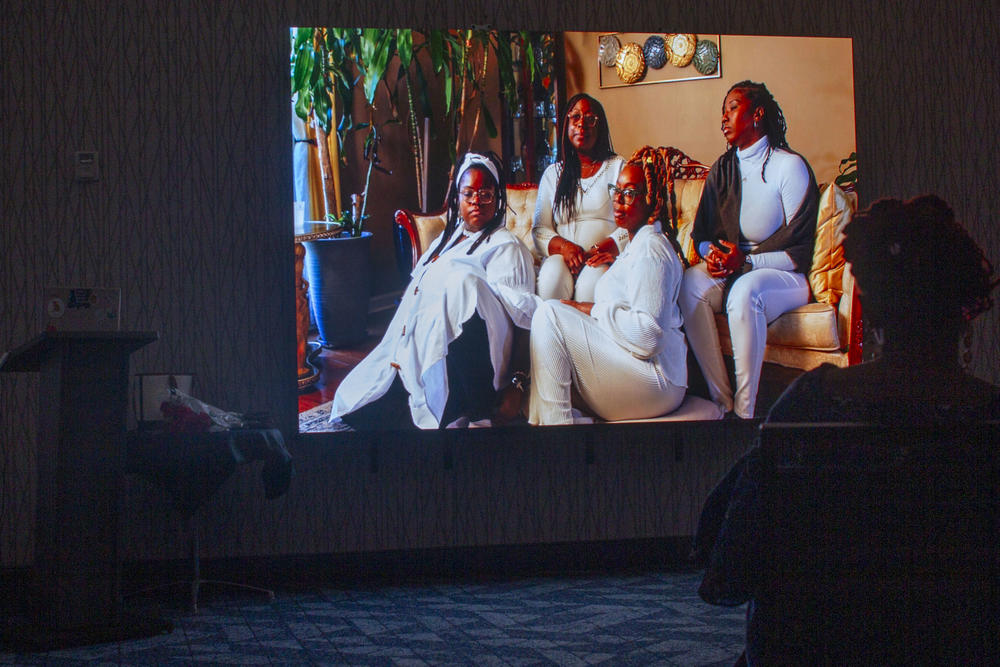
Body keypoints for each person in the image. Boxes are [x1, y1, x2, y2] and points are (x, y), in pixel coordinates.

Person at [695, 195, 1000, 664]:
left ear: (871, 314)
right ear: (964, 313)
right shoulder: (989, 418)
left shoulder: (810, 406)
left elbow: (726, 570)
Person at [329, 152, 536, 430]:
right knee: (358, 407)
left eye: (486, 194)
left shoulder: (506, 246)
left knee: (464, 280)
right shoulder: (445, 240)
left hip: (476, 353)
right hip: (422, 345)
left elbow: (524, 318)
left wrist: (518, 384)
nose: (476, 201)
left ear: (497, 199)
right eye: (469, 193)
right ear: (457, 199)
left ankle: (477, 406)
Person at [679, 81, 819, 419]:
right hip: (736, 266)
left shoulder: (790, 167)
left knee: (744, 291)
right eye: (723, 111)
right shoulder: (721, 170)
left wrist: (748, 261)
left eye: (732, 108)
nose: (723, 118)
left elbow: (801, 245)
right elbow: (701, 233)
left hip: (784, 274)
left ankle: (746, 412)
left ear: (757, 114)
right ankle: (722, 401)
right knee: (688, 286)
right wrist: (712, 253)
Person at [528, 146, 687, 425]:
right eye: (617, 191)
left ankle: (557, 433)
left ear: (651, 200)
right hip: (638, 366)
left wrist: (594, 310)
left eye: (630, 193)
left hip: (657, 380)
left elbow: (650, 336)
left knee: (549, 315)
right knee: (552, 314)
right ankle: (557, 423)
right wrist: (588, 310)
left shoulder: (651, 250)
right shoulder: (637, 244)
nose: (618, 200)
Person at [532, 93, 628, 302]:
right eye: (575, 117)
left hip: (601, 258)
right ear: (565, 125)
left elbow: (632, 222)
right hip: (562, 259)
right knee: (551, 278)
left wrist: (601, 248)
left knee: (590, 286)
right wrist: (566, 248)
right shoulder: (552, 174)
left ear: (600, 127)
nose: (582, 125)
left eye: (590, 119)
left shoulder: (617, 167)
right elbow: (540, 229)